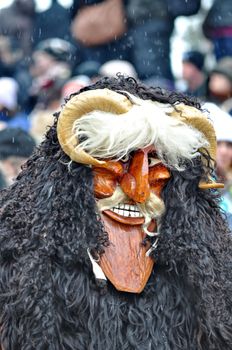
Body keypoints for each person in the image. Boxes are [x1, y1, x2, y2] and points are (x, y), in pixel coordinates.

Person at [0, 76, 231, 349]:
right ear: (75, 174)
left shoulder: (206, 281)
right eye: (119, 161)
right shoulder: (16, 267)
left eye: (156, 164)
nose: (139, 190)